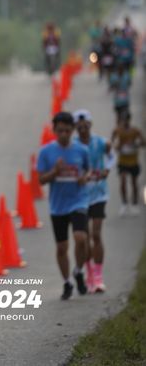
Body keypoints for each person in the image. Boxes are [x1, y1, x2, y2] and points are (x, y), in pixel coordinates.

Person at [37, 111, 90, 300]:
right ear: (54, 130)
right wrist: (55, 171)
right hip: (58, 206)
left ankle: (79, 271)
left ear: (73, 130)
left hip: (79, 200)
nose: (64, 134)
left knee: (81, 238)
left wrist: (84, 177)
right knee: (62, 247)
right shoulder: (46, 152)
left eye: (67, 131)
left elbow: (87, 170)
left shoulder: (82, 150)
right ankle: (67, 281)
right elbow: (41, 180)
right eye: (60, 131)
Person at [73, 109, 113, 293]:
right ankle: (89, 274)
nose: (83, 129)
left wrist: (107, 169)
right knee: (85, 238)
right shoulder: (73, 146)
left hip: (99, 194)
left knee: (96, 234)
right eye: (79, 127)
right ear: (76, 127)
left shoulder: (100, 142)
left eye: (85, 126)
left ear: (90, 125)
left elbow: (111, 156)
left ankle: (98, 277)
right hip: (81, 196)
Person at [111, 110, 145, 216]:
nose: (125, 122)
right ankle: (124, 203)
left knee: (134, 183)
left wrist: (135, 144)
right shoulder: (117, 131)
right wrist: (119, 146)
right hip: (123, 161)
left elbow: (143, 143)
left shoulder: (135, 131)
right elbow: (112, 143)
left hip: (133, 161)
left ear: (130, 120)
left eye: (127, 119)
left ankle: (134, 203)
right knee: (123, 180)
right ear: (121, 120)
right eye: (123, 120)